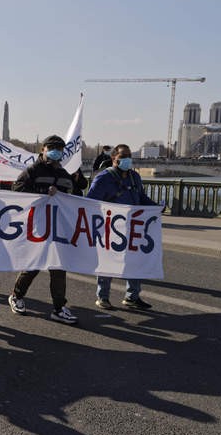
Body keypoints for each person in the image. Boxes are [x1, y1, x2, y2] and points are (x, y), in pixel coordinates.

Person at [8, 135, 78, 324]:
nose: (55, 151)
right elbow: (17, 191)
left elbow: (74, 198)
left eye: (59, 148)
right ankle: (17, 295)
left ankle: (58, 308)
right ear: (43, 149)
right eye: (51, 147)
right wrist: (42, 194)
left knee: (58, 268)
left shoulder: (64, 174)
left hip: (58, 228)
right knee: (34, 265)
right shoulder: (33, 170)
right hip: (37, 226)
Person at [86, 144, 161, 310]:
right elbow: (91, 201)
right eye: (123, 156)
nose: (127, 159)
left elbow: (141, 197)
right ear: (114, 158)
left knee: (135, 261)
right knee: (108, 261)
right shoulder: (103, 178)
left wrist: (155, 208)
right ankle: (103, 297)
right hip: (110, 227)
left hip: (132, 227)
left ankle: (132, 297)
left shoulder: (135, 177)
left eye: (129, 156)